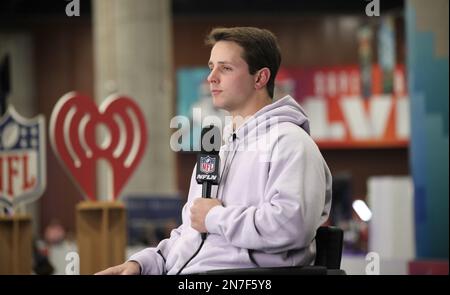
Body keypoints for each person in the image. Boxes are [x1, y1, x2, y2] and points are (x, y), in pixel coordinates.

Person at [96, 27, 332, 275]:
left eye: (226, 68)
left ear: (260, 78)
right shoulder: (217, 152)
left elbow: (291, 227)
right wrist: (143, 264)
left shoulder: (290, 143)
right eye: (211, 67)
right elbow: (191, 236)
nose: (211, 77)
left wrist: (215, 217)